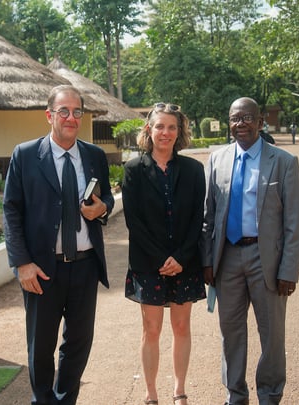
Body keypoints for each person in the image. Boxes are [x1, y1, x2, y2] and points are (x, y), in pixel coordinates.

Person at [3, 85, 114, 405]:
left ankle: (65, 399)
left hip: (85, 264)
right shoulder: (25, 155)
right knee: (40, 345)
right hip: (41, 269)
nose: (71, 118)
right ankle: (43, 400)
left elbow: (105, 196)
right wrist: (22, 263)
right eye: (63, 111)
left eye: (77, 111)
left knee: (79, 342)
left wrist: (102, 208)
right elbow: (11, 210)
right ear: (49, 115)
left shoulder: (94, 155)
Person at [201, 97, 299, 405]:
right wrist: (208, 260)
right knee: (230, 332)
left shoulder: (283, 162)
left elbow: (294, 222)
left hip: (267, 261)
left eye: (247, 118)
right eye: (234, 118)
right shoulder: (217, 159)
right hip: (228, 258)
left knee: (271, 335)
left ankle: (269, 395)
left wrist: (288, 269)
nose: (240, 124)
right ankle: (235, 394)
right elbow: (208, 216)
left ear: (260, 122)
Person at [122, 102, 206, 405]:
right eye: (160, 126)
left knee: (182, 326)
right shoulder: (133, 169)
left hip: (185, 262)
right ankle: (151, 392)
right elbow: (134, 221)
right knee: (151, 329)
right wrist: (161, 259)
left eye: (172, 127)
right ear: (149, 129)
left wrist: (181, 258)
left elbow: (199, 218)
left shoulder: (194, 170)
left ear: (179, 131)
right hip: (148, 264)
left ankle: (179, 389)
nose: (166, 132)